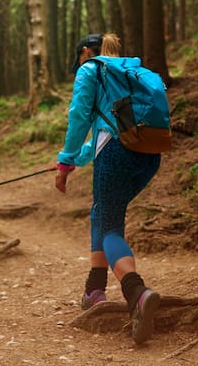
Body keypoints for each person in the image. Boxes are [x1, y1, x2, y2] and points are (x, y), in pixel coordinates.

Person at [55, 32, 162, 345]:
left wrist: (64, 161)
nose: (79, 68)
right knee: (102, 212)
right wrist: (77, 158)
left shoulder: (92, 69)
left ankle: (136, 293)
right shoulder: (132, 72)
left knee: (110, 225)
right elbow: (114, 127)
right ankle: (95, 289)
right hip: (148, 154)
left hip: (115, 154)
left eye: (78, 62)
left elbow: (79, 117)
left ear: (87, 52)